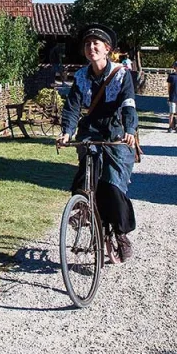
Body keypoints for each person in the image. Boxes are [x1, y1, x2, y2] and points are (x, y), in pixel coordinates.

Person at [59, 24, 138, 262]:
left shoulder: (122, 74)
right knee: (86, 172)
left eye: (96, 44)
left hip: (115, 133)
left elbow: (128, 103)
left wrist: (130, 130)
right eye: (87, 44)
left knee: (113, 185)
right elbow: (72, 106)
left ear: (107, 49)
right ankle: (83, 208)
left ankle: (121, 234)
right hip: (90, 131)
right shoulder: (81, 77)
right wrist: (67, 132)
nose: (91, 48)